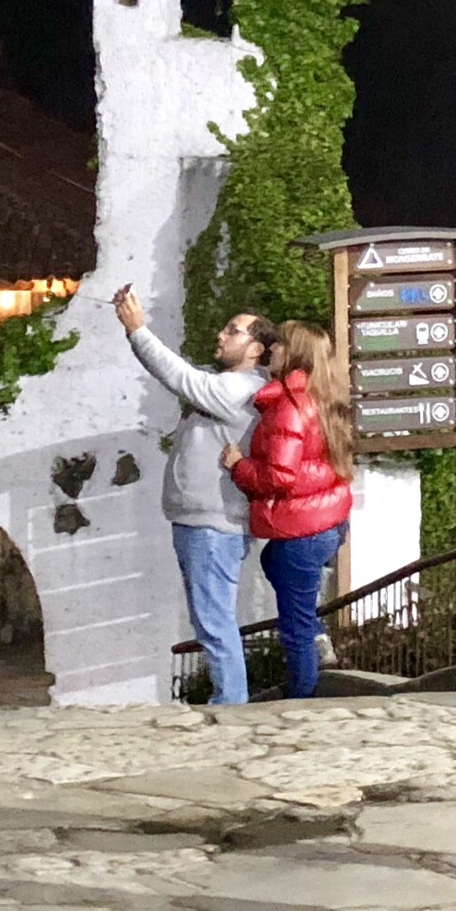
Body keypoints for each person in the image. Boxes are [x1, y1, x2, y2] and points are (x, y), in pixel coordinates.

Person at [114, 283, 272, 705]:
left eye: (234, 330)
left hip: (213, 525)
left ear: (256, 349)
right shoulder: (229, 385)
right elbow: (184, 376)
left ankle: (230, 703)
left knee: (214, 621)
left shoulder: (241, 389)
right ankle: (230, 699)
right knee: (209, 619)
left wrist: (138, 331)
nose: (222, 334)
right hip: (200, 521)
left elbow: (180, 377)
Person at [231, 321, 356, 698]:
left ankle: (301, 703)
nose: (272, 350)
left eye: (280, 345)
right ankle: (318, 638)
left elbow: (279, 477)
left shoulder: (289, 407)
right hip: (328, 522)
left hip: (303, 532)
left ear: (294, 355)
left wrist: (238, 465)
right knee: (274, 563)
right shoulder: (323, 396)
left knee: (294, 628)